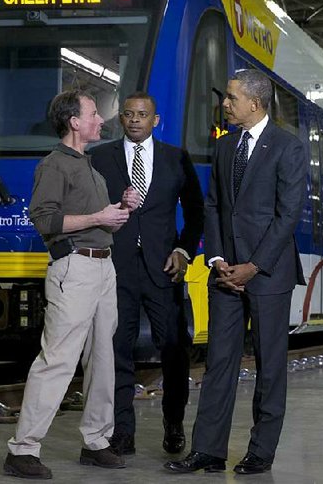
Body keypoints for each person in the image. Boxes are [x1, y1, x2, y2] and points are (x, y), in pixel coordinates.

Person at [166, 69, 307, 475]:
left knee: (269, 365)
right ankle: (207, 451)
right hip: (225, 273)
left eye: (230, 98)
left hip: (268, 274)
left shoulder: (288, 148)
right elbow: (212, 206)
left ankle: (260, 453)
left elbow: (287, 215)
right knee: (219, 364)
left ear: (255, 103)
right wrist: (216, 260)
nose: (224, 104)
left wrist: (254, 265)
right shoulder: (226, 147)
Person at [4, 90, 138, 479]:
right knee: (58, 360)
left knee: (102, 360)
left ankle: (96, 441)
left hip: (102, 270)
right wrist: (99, 216)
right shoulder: (54, 166)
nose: (101, 120)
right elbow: (45, 219)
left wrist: (121, 206)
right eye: (94, 114)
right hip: (75, 269)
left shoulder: (89, 166)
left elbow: (94, 217)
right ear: (75, 122)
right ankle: (22, 449)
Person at [90, 92, 204, 457]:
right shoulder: (100, 157)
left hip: (164, 269)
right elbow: (89, 207)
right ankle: (123, 431)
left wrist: (184, 250)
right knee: (116, 350)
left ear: (156, 120)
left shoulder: (176, 158)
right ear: (120, 119)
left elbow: (196, 212)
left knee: (174, 349)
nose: (135, 120)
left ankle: (174, 424)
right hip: (114, 267)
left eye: (143, 115)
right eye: (128, 114)